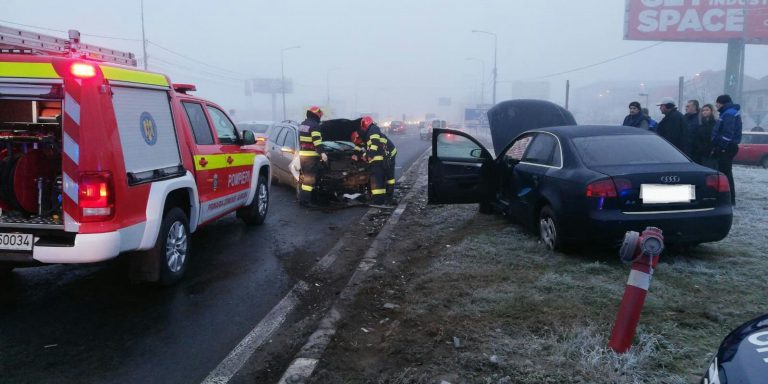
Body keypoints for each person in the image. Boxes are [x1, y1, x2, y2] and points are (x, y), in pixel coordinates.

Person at [711, 94, 741, 205]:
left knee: (725, 174)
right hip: (727, 146)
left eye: (717, 103)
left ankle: (728, 199)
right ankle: (729, 198)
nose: (716, 105)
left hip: (727, 147)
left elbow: (728, 133)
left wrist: (721, 147)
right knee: (726, 173)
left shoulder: (728, 113)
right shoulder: (728, 112)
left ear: (722, 103)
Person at [297, 106, 327, 207]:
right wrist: (322, 153)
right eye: (320, 116)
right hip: (311, 156)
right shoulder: (315, 125)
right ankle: (305, 201)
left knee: (307, 177)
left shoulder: (303, 124)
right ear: (317, 115)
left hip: (303, 155)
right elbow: (317, 141)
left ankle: (304, 199)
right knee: (309, 179)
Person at [356, 116, 389, 205]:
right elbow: (369, 147)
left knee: (377, 181)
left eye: (363, 125)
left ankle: (378, 201)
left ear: (366, 123)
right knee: (379, 181)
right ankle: (380, 200)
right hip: (379, 160)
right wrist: (365, 155)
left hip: (376, 160)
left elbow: (374, 144)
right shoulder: (372, 130)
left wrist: (369, 155)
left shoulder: (373, 130)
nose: (363, 127)